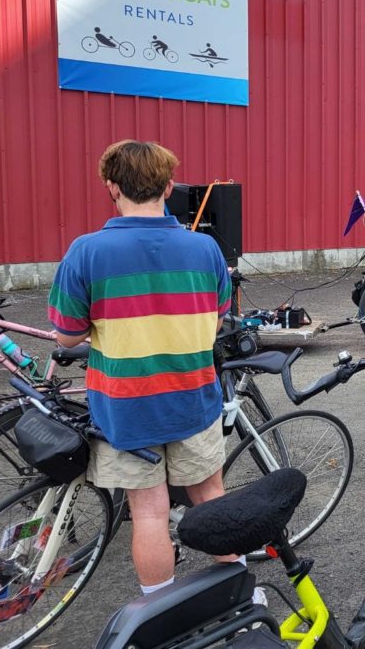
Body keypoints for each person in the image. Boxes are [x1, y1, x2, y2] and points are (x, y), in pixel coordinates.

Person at [47, 140, 237, 595]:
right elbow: (216, 318)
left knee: (148, 512)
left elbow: (67, 335)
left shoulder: (86, 252)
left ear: (111, 187)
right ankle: (238, 593)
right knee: (210, 498)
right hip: (194, 398)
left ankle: (160, 611)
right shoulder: (205, 248)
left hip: (125, 408)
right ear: (169, 186)